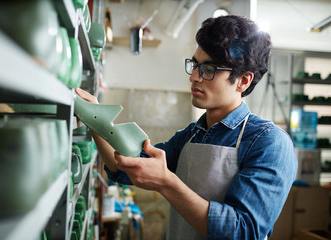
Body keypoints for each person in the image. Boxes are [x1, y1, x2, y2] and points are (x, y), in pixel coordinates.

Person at [76, 15, 298, 240]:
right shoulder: (192, 135)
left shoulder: (269, 143)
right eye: (195, 65)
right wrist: (95, 118)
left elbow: (242, 232)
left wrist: (167, 183)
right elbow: (124, 168)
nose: (194, 77)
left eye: (208, 69)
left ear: (243, 81)